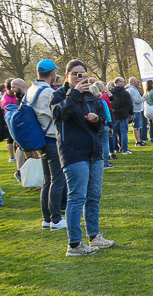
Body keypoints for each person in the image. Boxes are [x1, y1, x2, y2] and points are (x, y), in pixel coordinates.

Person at [50, 60, 114, 256]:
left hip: (94, 152)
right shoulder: (59, 96)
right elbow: (60, 114)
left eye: (83, 74)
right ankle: (74, 245)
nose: (80, 77)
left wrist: (97, 120)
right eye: (76, 74)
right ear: (68, 76)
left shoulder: (91, 97)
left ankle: (94, 236)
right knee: (77, 197)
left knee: (94, 196)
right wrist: (74, 92)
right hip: (73, 152)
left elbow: (102, 122)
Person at [26, 60, 67, 230]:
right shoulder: (48, 91)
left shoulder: (31, 89)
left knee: (47, 181)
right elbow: (57, 114)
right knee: (57, 180)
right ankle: (56, 219)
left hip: (41, 139)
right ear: (52, 74)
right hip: (51, 138)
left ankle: (47, 218)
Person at [109, 78, 132, 155]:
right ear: (118, 82)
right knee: (123, 133)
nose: (124, 83)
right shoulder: (125, 93)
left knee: (114, 133)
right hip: (123, 114)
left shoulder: (111, 93)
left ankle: (115, 148)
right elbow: (129, 104)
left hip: (114, 115)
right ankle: (125, 149)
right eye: (123, 82)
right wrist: (130, 113)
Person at [127, 77, 147, 147]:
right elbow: (136, 100)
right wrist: (143, 99)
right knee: (137, 126)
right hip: (136, 109)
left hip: (137, 109)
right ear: (134, 82)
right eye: (136, 82)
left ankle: (139, 140)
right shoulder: (132, 90)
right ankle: (138, 141)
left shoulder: (132, 89)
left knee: (138, 126)